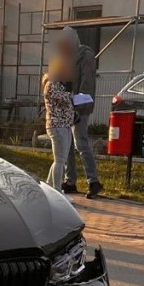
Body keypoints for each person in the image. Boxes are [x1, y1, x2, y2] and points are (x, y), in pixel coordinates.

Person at [58, 27, 102, 199]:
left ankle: (93, 181)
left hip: (80, 105)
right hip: (66, 104)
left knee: (80, 143)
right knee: (67, 144)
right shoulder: (65, 57)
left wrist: (77, 107)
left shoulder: (86, 55)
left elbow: (87, 85)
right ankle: (70, 181)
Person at [42, 57, 74, 191]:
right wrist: (72, 96)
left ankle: (48, 187)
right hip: (57, 125)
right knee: (60, 160)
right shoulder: (51, 84)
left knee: (60, 159)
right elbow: (64, 98)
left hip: (64, 125)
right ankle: (57, 190)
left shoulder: (59, 84)